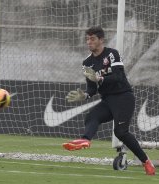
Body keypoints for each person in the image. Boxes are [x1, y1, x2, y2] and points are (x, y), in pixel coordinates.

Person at [63, 26, 155, 175]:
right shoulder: (87, 62)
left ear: (101, 40)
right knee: (91, 117)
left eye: (92, 39)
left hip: (123, 96)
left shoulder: (112, 54)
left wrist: (99, 77)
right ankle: (85, 140)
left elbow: (118, 77)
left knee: (120, 132)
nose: (89, 42)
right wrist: (85, 95)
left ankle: (146, 161)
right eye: (87, 39)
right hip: (108, 100)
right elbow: (92, 89)